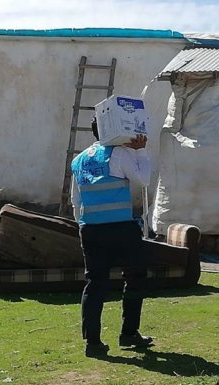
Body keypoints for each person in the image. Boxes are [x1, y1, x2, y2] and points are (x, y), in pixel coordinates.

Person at [70, 117, 154, 357]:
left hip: (90, 228)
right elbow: (143, 180)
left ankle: (92, 342)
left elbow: (76, 201)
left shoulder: (79, 159)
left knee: (95, 283)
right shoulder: (120, 154)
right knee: (136, 276)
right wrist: (141, 152)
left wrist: (83, 226)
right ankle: (129, 333)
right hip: (120, 227)